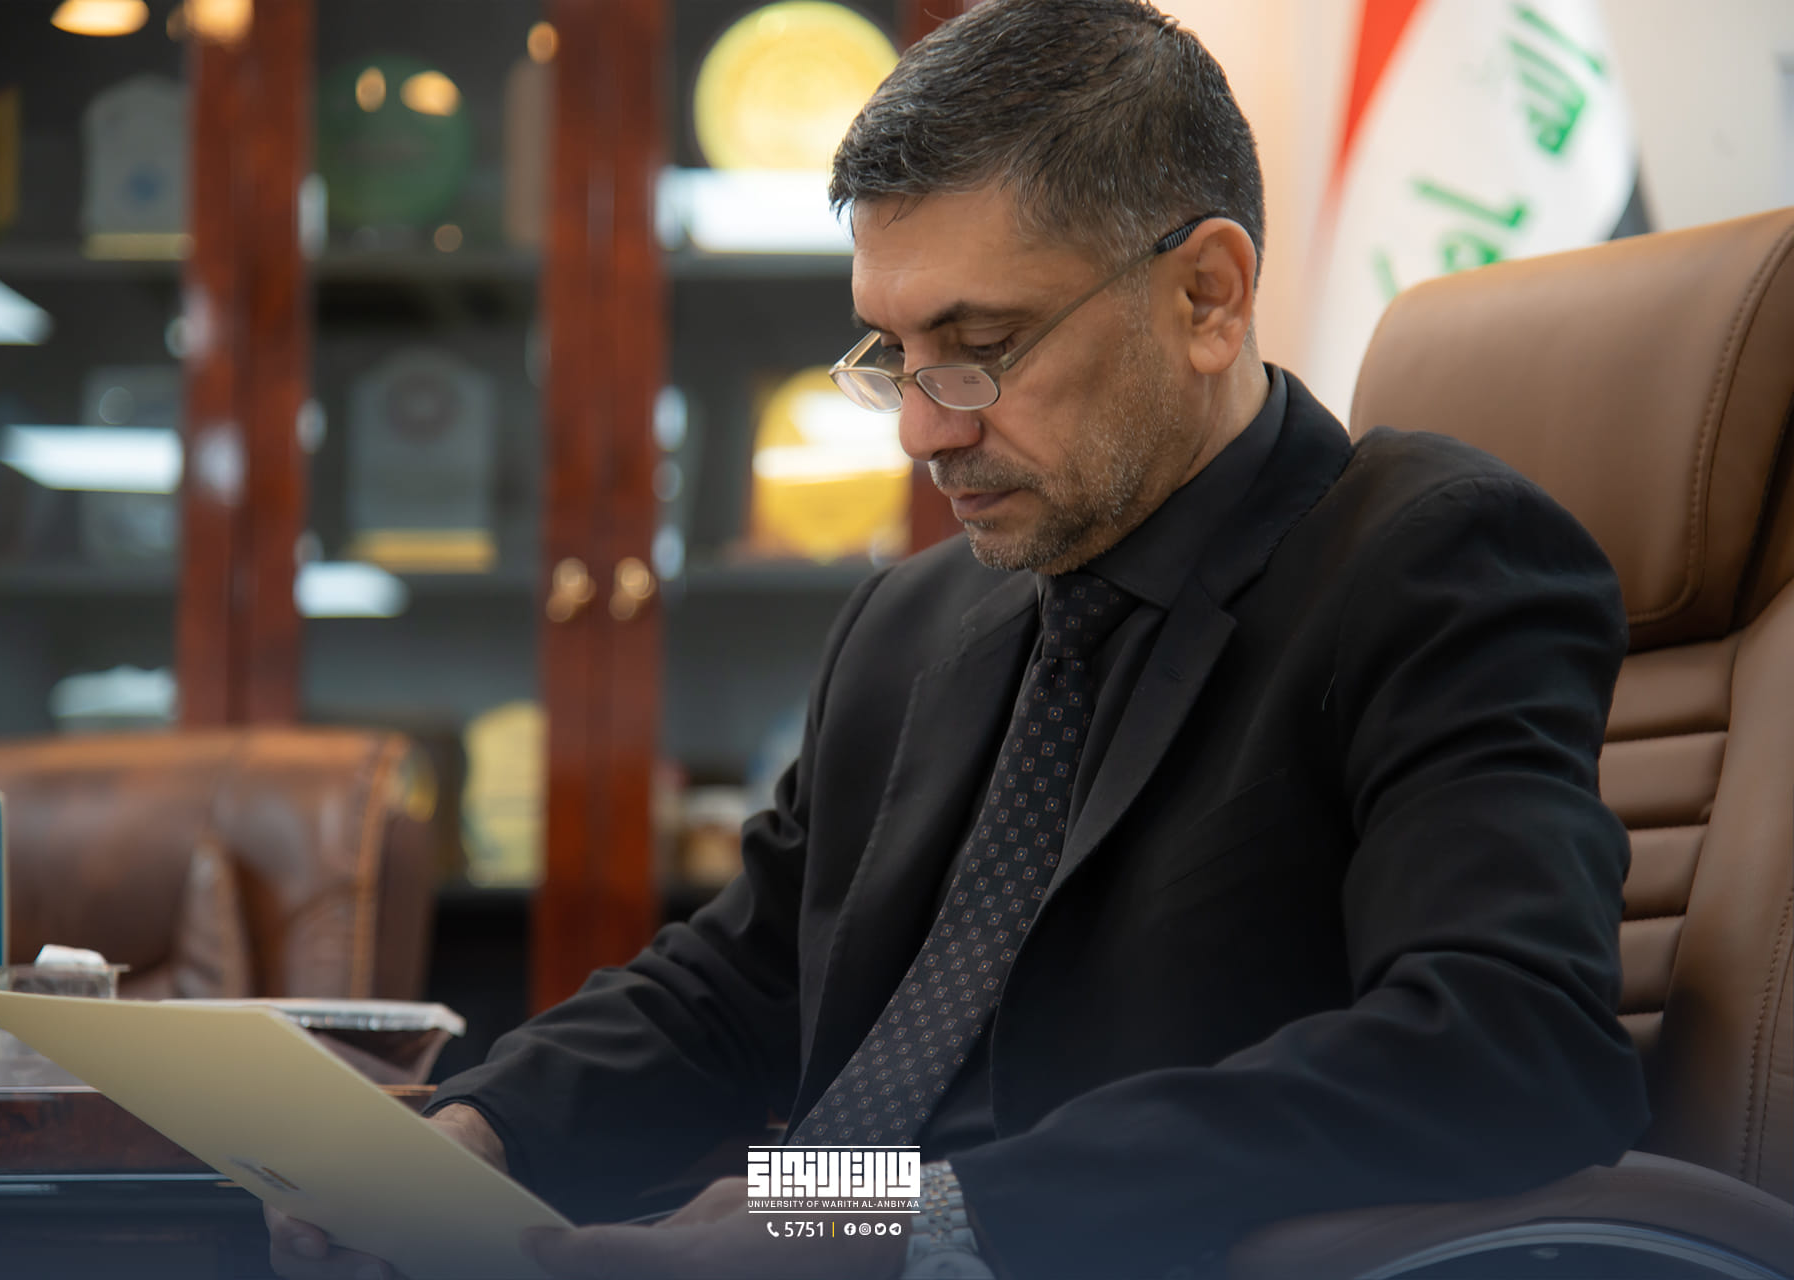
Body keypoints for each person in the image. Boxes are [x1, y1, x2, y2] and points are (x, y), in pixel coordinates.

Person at [271, 2, 1645, 1276]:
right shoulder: (913, 618)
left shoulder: (1428, 560)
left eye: (979, 345)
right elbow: (742, 983)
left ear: (1208, 298)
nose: (925, 429)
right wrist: (476, 1133)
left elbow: (1509, 1046)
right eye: (892, 355)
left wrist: (888, 1219)